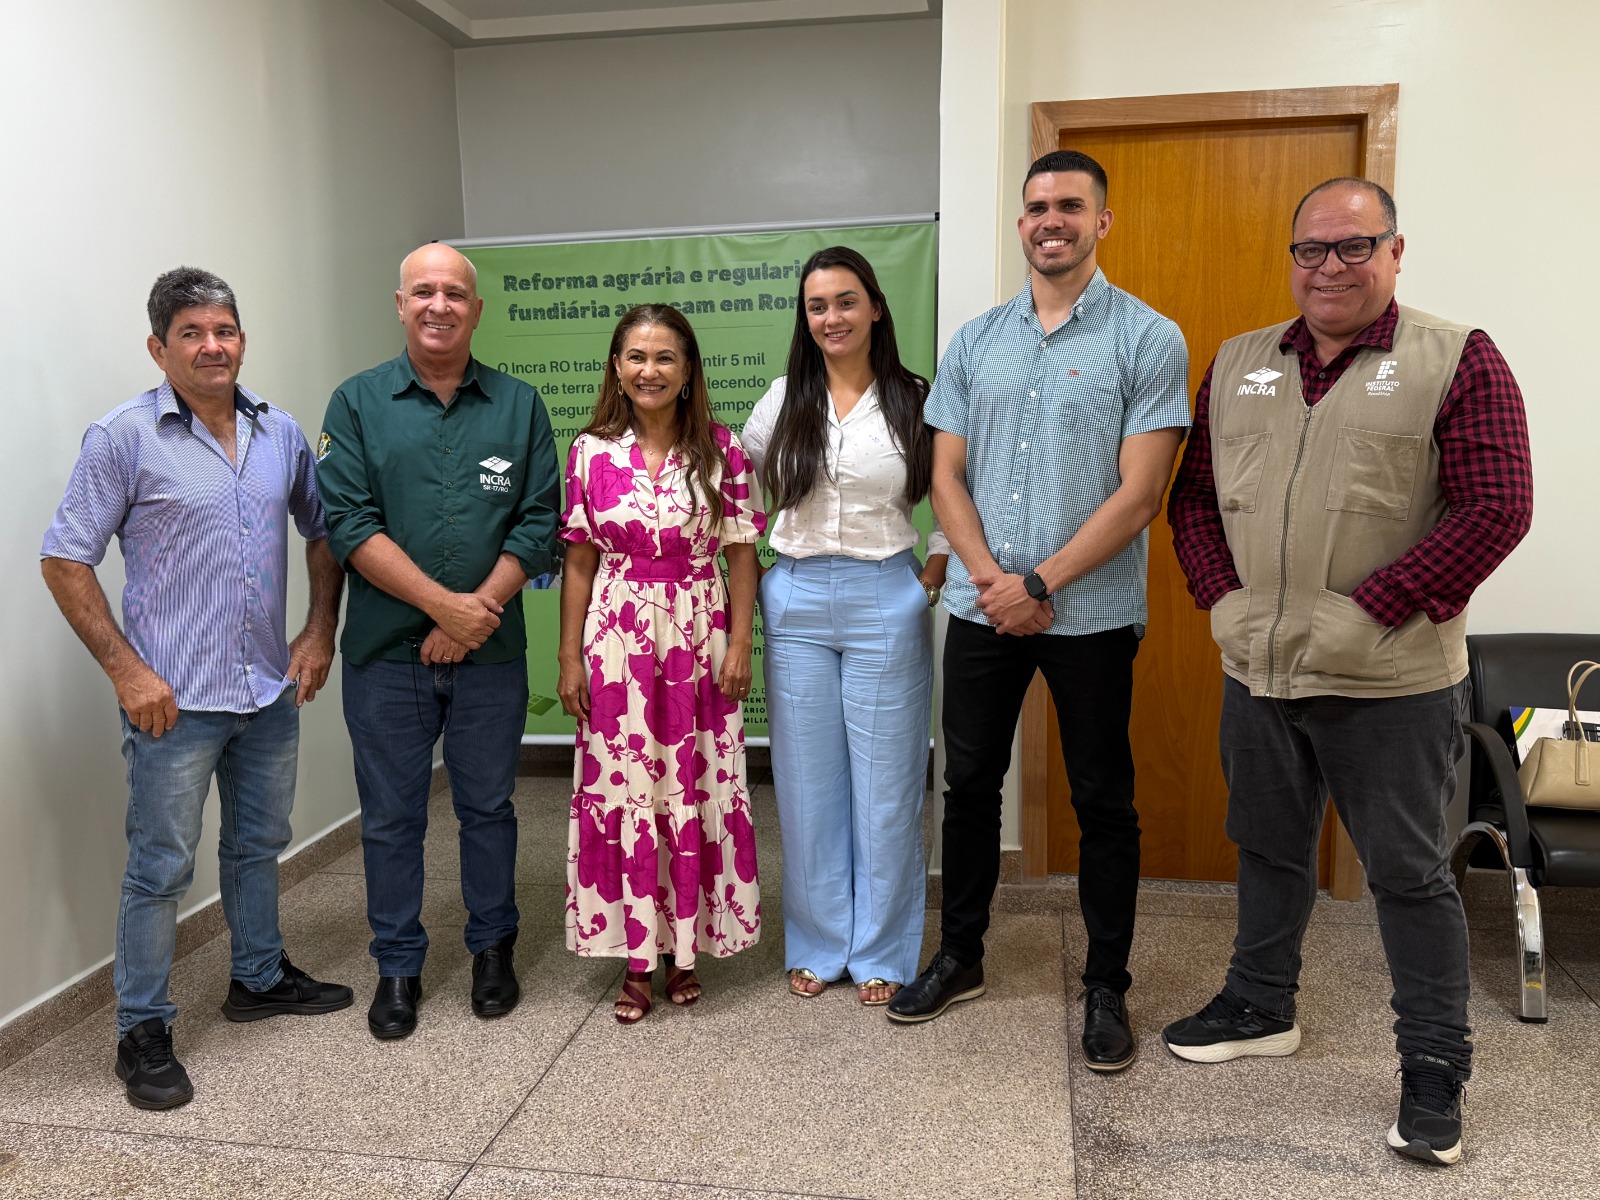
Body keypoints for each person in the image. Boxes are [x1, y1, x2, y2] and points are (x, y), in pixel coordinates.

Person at [1163, 178, 1532, 1165]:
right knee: (1268, 848)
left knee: (1409, 877)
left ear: (1395, 251)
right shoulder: (1239, 361)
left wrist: (1367, 608)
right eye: (1311, 250)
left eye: (1353, 246)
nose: (1329, 267)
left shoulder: (1456, 358)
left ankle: (1432, 1068)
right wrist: (1223, 601)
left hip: (1393, 685)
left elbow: (1493, 509)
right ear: (1290, 260)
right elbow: (1192, 502)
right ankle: (1258, 1004)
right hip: (1261, 673)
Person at [889, 151, 1189, 1076]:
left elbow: (1141, 496)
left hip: (1089, 614)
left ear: (1103, 220)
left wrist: (1042, 584)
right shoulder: (977, 341)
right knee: (970, 785)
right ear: (1020, 224)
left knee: (1103, 798)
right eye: (1034, 208)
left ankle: (1107, 984)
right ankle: (963, 955)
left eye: (1068, 206)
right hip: (985, 610)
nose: (1048, 220)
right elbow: (944, 474)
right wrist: (992, 581)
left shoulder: (1148, 338)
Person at [41, 267, 352, 1110]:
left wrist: (318, 632)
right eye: (192, 333)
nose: (213, 346)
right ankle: (141, 1029)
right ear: (159, 347)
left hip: (265, 691)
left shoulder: (279, 430)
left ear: (241, 339)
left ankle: (256, 976)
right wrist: (126, 669)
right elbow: (65, 557)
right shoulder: (123, 437)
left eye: (225, 330)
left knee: (259, 844)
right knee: (161, 868)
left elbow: (324, 535)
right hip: (171, 701)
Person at [317, 243, 561, 1040]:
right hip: (386, 658)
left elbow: (538, 520)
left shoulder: (520, 406)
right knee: (391, 818)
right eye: (423, 291)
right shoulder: (355, 404)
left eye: (455, 292)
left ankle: (493, 949)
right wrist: (441, 610)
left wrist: (475, 612)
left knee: (489, 808)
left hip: (490, 656)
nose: (439, 305)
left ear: (476, 310)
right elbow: (349, 524)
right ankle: (398, 964)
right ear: (399, 304)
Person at [741, 246, 947, 1007]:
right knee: (805, 784)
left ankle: (883, 950)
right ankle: (820, 943)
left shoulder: (917, 399)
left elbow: (959, 490)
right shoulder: (781, 400)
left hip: (884, 595)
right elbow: (736, 491)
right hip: (792, 598)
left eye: (846, 301)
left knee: (888, 785)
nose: (832, 317)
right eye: (818, 306)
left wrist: (934, 566)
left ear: (876, 308)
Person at [556, 304, 765, 1023]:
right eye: (636, 356)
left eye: (665, 357)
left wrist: (740, 643)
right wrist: (569, 658)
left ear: (688, 370)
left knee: (695, 787)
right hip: (614, 642)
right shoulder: (589, 453)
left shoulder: (723, 449)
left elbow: (743, 553)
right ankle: (636, 958)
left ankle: (687, 949)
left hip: (699, 638)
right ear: (617, 366)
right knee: (625, 793)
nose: (650, 370)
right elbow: (579, 562)